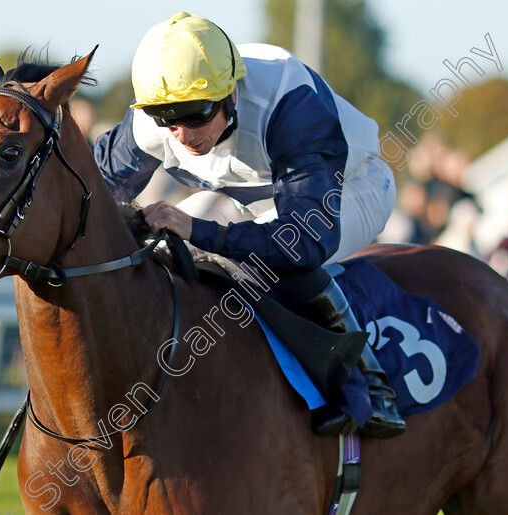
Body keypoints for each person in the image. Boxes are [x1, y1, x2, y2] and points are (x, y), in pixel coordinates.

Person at [94, 12, 403, 437]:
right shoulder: (155, 115)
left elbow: (304, 241)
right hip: (250, 195)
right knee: (168, 247)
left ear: (232, 93)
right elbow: (90, 197)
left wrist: (204, 233)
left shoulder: (289, 105)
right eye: (168, 119)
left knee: (268, 261)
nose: (181, 136)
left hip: (348, 189)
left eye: (196, 115)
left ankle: (367, 382)